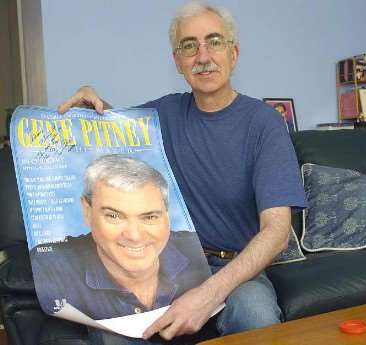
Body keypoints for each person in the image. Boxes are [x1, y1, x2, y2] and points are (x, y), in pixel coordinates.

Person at [58, 1, 307, 344]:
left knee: (257, 315)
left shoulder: (265, 124)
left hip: (234, 270)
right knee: (110, 328)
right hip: (164, 265)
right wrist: (91, 108)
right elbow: (112, 130)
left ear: (233, 53)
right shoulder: (163, 114)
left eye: (214, 41)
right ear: (178, 61)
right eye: (189, 45)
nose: (203, 56)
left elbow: (277, 232)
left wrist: (207, 294)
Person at [30, 154, 210, 320]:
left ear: (167, 215)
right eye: (114, 216)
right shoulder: (50, 265)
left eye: (149, 217)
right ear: (87, 211)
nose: (134, 235)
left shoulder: (195, 251)